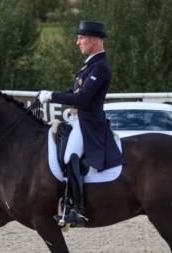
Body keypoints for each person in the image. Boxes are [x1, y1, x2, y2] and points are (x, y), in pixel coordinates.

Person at [38, 20, 125, 227]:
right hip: (78, 120)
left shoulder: (100, 66)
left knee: (70, 157)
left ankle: (77, 210)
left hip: (88, 123)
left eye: (81, 38)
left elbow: (83, 98)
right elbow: (73, 93)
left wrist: (52, 96)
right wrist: (51, 94)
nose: (77, 42)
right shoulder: (90, 64)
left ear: (93, 40)